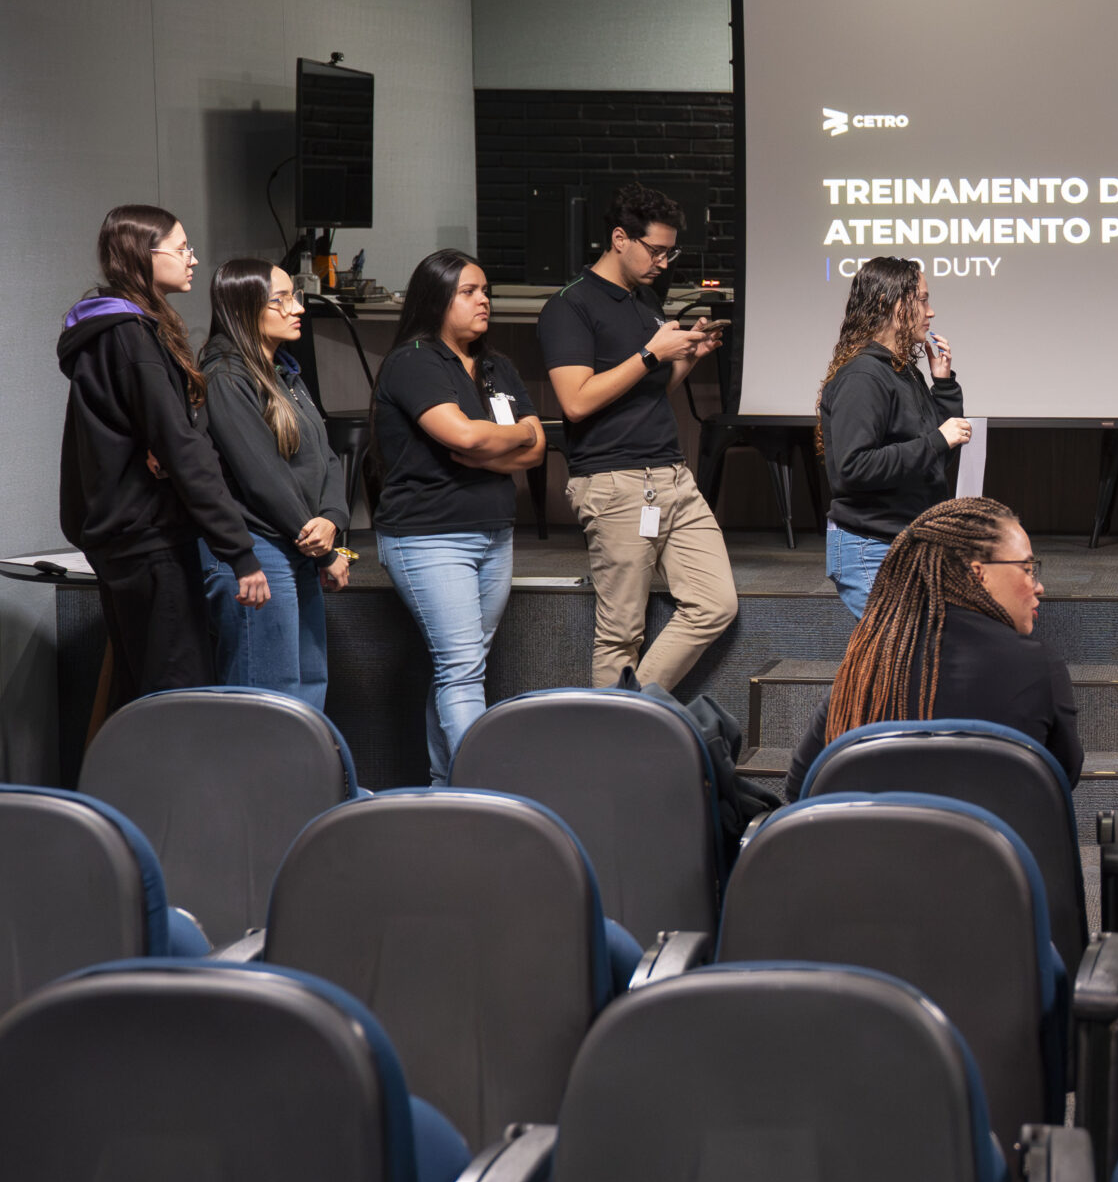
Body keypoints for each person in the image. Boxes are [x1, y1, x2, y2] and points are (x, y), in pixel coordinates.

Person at [58, 205, 268, 706]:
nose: (192, 259)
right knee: (176, 700)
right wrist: (239, 552)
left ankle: (126, 788)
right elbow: (182, 445)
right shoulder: (131, 336)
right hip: (147, 539)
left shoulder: (111, 331)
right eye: (181, 249)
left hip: (124, 535)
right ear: (142, 256)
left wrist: (160, 446)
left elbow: (158, 435)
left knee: (142, 694)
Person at [539, 184, 735, 690]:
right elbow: (576, 401)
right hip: (614, 484)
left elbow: (647, 391)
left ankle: (633, 710)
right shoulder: (569, 306)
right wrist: (651, 353)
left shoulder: (645, 300)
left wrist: (686, 356)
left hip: (672, 476)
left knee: (715, 603)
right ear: (620, 238)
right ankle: (616, 744)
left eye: (671, 252)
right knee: (620, 633)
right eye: (656, 250)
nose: (664, 262)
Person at [371, 250, 546, 785]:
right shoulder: (415, 360)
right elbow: (465, 437)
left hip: (493, 533)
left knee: (461, 669)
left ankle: (446, 789)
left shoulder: (496, 365)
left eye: (485, 290)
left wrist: (511, 439)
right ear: (436, 297)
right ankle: (478, 791)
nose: (483, 300)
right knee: (462, 669)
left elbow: (538, 448)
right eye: (468, 291)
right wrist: (511, 436)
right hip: (429, 536)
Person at [781, 497, 1078, 796]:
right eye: (1027, 568)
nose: (1038, 585)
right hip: (992, 842)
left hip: (865, 842)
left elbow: (800, 788)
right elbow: (1059, 781)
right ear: (980, 574)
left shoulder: (867, 663)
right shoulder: (1038, 666)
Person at [197, 258, 351, 710]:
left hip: (296, 541)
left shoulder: (285, 372)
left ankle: (305, 784)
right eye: (280, 300)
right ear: (245, 309)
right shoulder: (225, 375)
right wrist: (320, 543)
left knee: (307, 686)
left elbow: (325, 456)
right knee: (268, 698)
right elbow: (261, 477)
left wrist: (333, 522)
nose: (296, 308)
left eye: (294, 297)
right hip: (258, 549)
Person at [816, 258, 969, 620]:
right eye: (923, 301)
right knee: (899, 662)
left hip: (902, 541)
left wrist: (943, 385)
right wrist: (936, 441)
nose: (931, 312)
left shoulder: (903, 371)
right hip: (870, 548)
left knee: (917, 661)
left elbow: (934, 458)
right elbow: (854, 469)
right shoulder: (864, 376)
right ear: (898, 305)